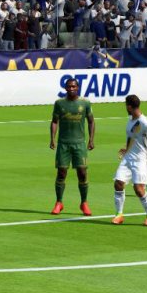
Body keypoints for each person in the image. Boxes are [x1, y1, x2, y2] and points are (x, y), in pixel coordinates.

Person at [112, 94, 147, 227]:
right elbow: (132, 136)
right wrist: (126, 148)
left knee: (139, 189)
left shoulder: (144, 122)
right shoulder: (131, 119)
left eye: (126, 105)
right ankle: (119, 215)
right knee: (118, 183)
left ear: (129, 107)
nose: (125, 107)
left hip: (141, 160)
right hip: (128, 158)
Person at [49, 77, 95, 216]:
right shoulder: (59, 103)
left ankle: (84, 203)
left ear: (78, 87)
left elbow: (91, 121)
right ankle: (59, 202)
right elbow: (54, 121)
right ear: (65, 88)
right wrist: (52, 139)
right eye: (69, 86)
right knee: (61, 172)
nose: (71, 88)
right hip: (63, 144)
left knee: (82, 173)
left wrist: (91, 140)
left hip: (79, 144)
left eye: (74, 86)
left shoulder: (85, 103)